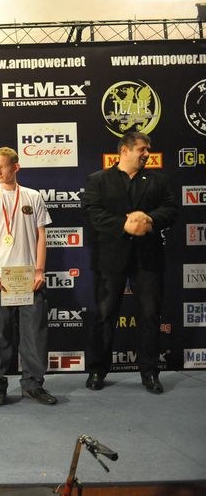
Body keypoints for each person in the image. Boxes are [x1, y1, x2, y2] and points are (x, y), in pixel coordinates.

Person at [81, 132, 177, 394]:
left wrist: (148, 219)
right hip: (110, 259)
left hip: (148, 259)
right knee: (105, 315)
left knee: (150, 315)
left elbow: (171, 210)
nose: (147, 154)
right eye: (142, 149)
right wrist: (124, 225)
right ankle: (97, 370)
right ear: (124, 150)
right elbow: (92, 213)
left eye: (148, 149)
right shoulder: (98, 180)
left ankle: (150, 373)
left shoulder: (157, 180)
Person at [0, 147, 56, 406]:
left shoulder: (33, 196)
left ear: (16, 167)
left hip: (30, 279)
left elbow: (41, 235)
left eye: (3, 166)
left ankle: (33, 385)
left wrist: (39, 270)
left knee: (34, 336)